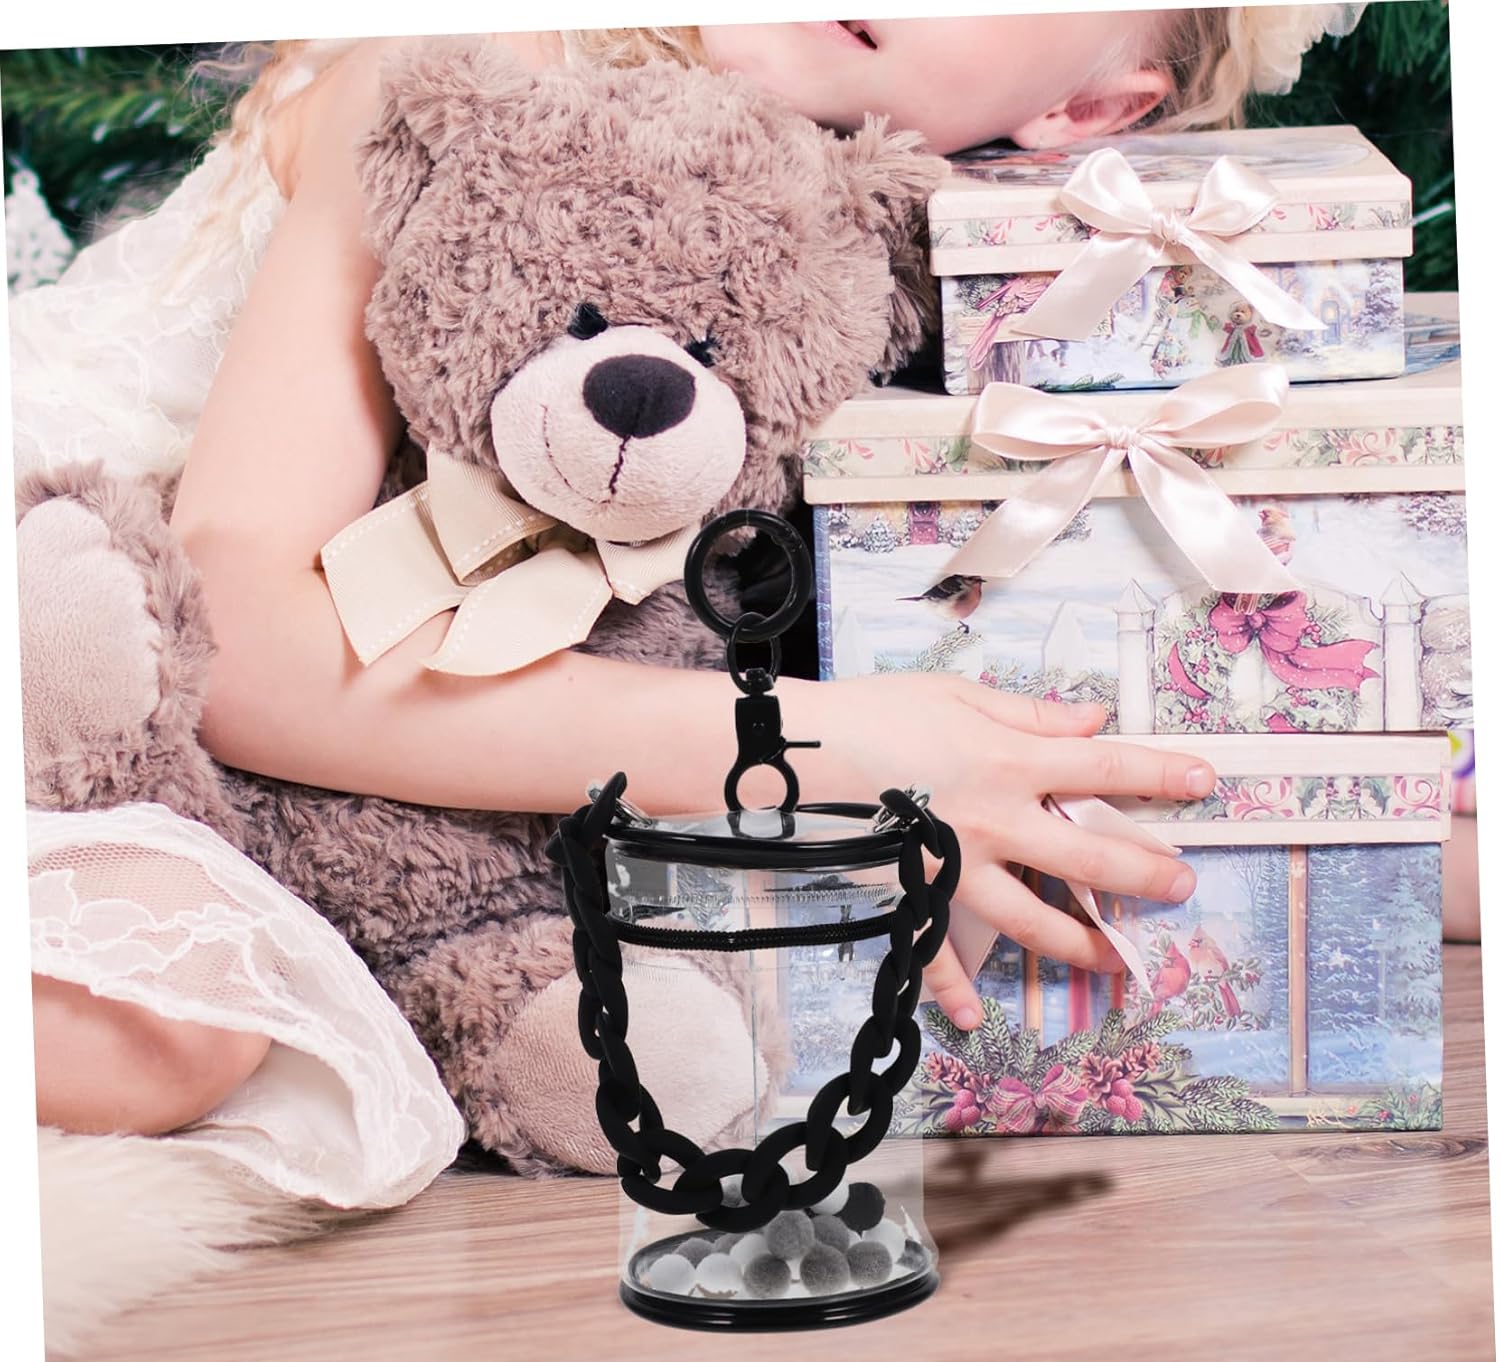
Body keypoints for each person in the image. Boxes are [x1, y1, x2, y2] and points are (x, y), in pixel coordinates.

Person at [16, 10, 1372, 1171]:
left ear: (1087, 111)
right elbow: (235, 640)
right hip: (79, 638)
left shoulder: (927, 255)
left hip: (304, 790)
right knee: (176, 1019)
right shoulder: (481, 79)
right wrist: (836, 749)